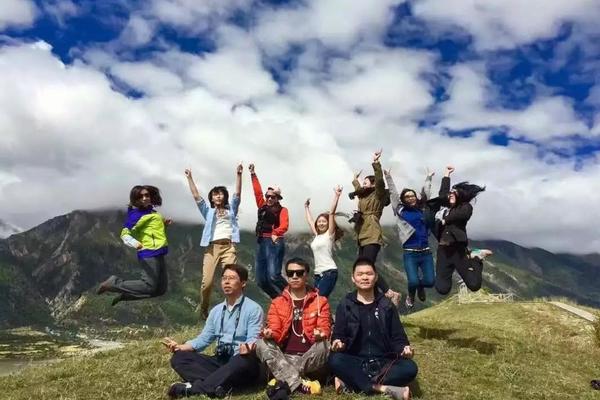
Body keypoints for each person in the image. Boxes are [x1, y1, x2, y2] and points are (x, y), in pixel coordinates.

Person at [164, 264, 263, 399]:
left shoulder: (253, 309)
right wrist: (181, 347)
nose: (226, 282)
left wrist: (247, 347)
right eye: (224, 278)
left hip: (241, 361)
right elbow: (204, 339)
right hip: (220, 361)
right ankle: (218, 385)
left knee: (241, 361)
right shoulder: (216, 311)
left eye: (232, 278)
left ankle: (196, 388)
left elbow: (254, 338)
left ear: (243, 283)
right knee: (179, 357)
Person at [328, 258, 417, 400]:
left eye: (369, 273)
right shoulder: (346, 304)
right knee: (335, 360)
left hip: (384, 361)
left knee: (410, 368)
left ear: (376, 277)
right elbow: (339, 334)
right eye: (360, 274)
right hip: (355, 359)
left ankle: (351, 383)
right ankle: (381, 388)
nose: (364, 277)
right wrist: (338, 342)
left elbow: (398, 336)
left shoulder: (386, 305)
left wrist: (404, 349)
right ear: (353, 278)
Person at [255, 257, 331, 396]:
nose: (294, 276)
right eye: (290, 273)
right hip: (284, 357)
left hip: (310, 356)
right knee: (261, 343)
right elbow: (275, 329)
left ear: (306, 275)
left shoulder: (321, 301)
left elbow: (324, 327)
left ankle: (283, 380)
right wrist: (270, 333)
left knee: (325, 345)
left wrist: (321, 334)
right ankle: (298, 384)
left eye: (299, 273)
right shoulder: (278, 302)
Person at [184, 164, 243, 319]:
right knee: (207, 282)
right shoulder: (208, 211)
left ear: (224, 196)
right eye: (214, 195)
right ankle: (204, 309)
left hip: (228, 247)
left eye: (220, 194)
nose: (217, 196)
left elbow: (237, 194)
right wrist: (189, 177)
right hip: (211, 248)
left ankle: (234, 309)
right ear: (211, 198)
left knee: (232, 278)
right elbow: (197, 197)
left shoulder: (231, 210)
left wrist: (238, 174)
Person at [97, 185, 170, 306]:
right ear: (136, 200)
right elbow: (124, 234)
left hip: (160, 252)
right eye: (141, 196)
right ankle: (113, 283)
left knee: (160, 290)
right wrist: (135, 243)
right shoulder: (135, 215)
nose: (145, 198)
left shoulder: (152, 212)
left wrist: (165, 225)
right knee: (149, 286)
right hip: (148, 253)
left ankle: (126, 296)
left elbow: (153, 232)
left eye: (147, 195)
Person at [350, 149, 401, 305]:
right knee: (361, 268)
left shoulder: (377, 194)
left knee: (367, 266)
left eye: (366, 182)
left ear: (372, 184)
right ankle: (380, 296)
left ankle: (388, 293)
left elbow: (379, 182)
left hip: (372, 233)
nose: (364, 185)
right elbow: (359, 191)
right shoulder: (363, 196)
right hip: (361, 234)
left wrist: (376, 163)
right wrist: (355, 180)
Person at [433, 166, 493, 295]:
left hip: (458, 251)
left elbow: (461, 215)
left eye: (454, 193)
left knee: (474, 285)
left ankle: (476, 257)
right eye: (450, 194)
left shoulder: (465, 207)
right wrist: (446, 175)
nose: (450, 195)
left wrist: (445, 219)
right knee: (442, 289)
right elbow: (442, 193)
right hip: (443, 251)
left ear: (461, 195)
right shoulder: (445, 206)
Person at [385, 167, 436, 308]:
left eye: (412, 195)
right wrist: (388, 177)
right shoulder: (400, 210)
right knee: (412, 281)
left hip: (426, 252)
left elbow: (427, 193)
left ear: (416, 197)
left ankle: (420, 287)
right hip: (410, 253)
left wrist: (429, 177)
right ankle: (411, 296)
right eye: (407, 196)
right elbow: (393, 194)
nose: (410, 198)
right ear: (403, 200)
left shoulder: (423, 208)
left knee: (430, 281)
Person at [249, 163, 289, 298]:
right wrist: (253, 174)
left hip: (273, 242)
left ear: (277, 198)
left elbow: (284, 225)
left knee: (273, 276)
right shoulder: (262, 206)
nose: (270, 198)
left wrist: (275, 233)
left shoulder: (283, 210)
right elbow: (257, 192)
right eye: (268, 196)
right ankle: (279, 300)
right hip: (261, 241)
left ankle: (295, 294)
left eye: (273, 197)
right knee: (261, 281)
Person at [304, 185, 343, 297]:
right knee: (317, 301)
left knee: (319, 299)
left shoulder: (329, 235)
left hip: (329, 271)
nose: (321, 223)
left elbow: (331, 213)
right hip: (317, 274)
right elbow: (310, 221)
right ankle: (325, 315)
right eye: (319, 221)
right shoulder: (317, 235)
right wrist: (306, 207)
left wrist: (336, 196)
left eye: (324, 221)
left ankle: (326, 315)